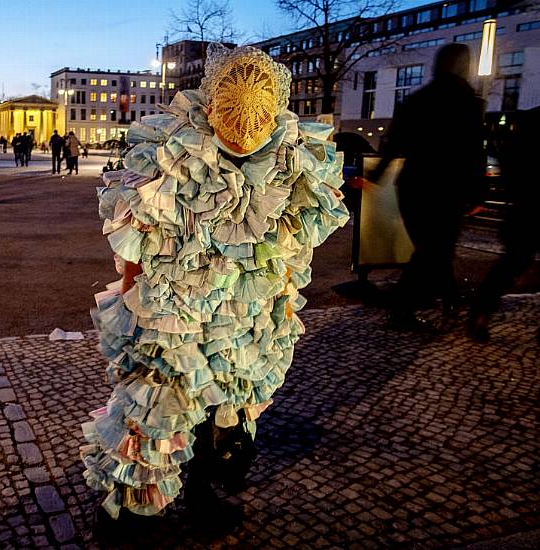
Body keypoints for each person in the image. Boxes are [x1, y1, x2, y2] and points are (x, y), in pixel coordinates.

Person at [83, 44, 349, 529]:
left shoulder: (292, 160)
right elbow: (138, 240)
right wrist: (129, 304)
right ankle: (133, 505)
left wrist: (281, 306)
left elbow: (294, 243)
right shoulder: (177, 153)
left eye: (253, 127)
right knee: (160, 400)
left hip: (244, 312)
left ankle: (198, 489)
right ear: (212, 107)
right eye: (232, 125)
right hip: (175, 307)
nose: (243, 139)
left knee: (223, 400)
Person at [368, 43, 484, 331]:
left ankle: (447, 300)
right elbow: (473, 150)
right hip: (447, 190)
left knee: (433, 249)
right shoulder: (467, 100)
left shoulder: (417, 99)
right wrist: (477, 192)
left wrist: (376, 177)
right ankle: (406, 309)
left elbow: (393, 143)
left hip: (412, 187)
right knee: (434, 251)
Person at [469, 106, 540, 343]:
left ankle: (480, 313)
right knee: (510, 266)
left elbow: (509, 163)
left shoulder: (526, 125)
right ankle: (480, 313)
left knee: (509, 266)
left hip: (524, 209)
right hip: (527, 208)